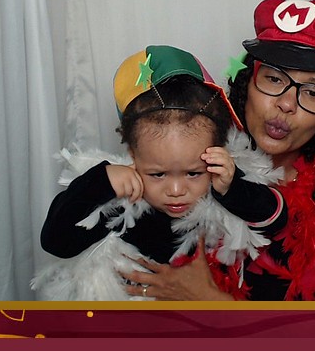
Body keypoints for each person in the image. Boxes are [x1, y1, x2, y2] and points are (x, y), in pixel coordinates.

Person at [118, 0, 315, 300]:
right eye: (274, 79)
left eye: (313, 92)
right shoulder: (195, 156)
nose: (286, 104)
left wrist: (212, 303)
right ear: (246, 84)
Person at [33, 46, 283, 300]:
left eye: (193, 173)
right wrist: (100, 183)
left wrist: (232, 188)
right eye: (158, 174)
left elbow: (276, 217)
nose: (176, 191)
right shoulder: (119, 204)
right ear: (133, 156)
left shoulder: (224, 189)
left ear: (217, 154)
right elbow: (56, 242)